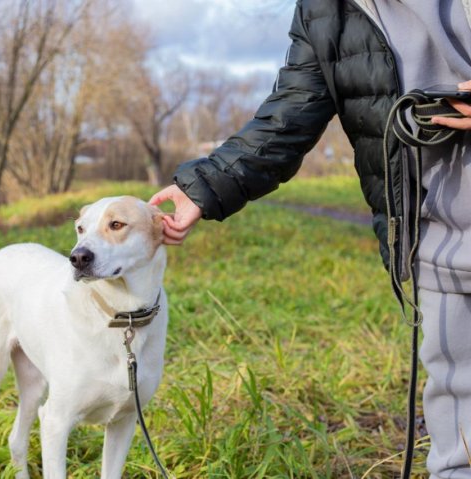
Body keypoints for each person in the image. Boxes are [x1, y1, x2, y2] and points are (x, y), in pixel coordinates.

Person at [149, 1, 471, 478]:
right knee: (459, 442)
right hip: (437, 241)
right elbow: (291, 113)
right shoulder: (325, 10)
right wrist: (206, 184)